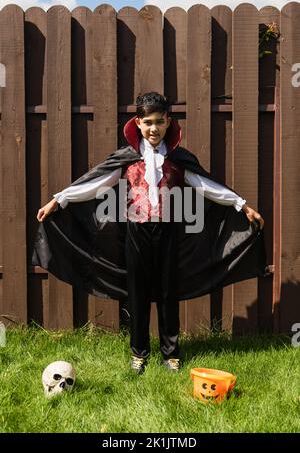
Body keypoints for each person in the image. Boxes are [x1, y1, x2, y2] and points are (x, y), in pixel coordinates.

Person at [33, 92, 267, 374]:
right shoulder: (128, 158)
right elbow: (96, 183)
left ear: (169, 122)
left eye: (159, 121)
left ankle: (171, 354)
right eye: (148, 122)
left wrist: (242, 206)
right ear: (138, 124)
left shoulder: (179, 159)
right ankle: (139, 352)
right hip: (136, 232)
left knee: (169, 292)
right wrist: (59, 200)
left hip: (169, 232)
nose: (154, 128)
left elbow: (206, 186)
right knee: (138, 293)